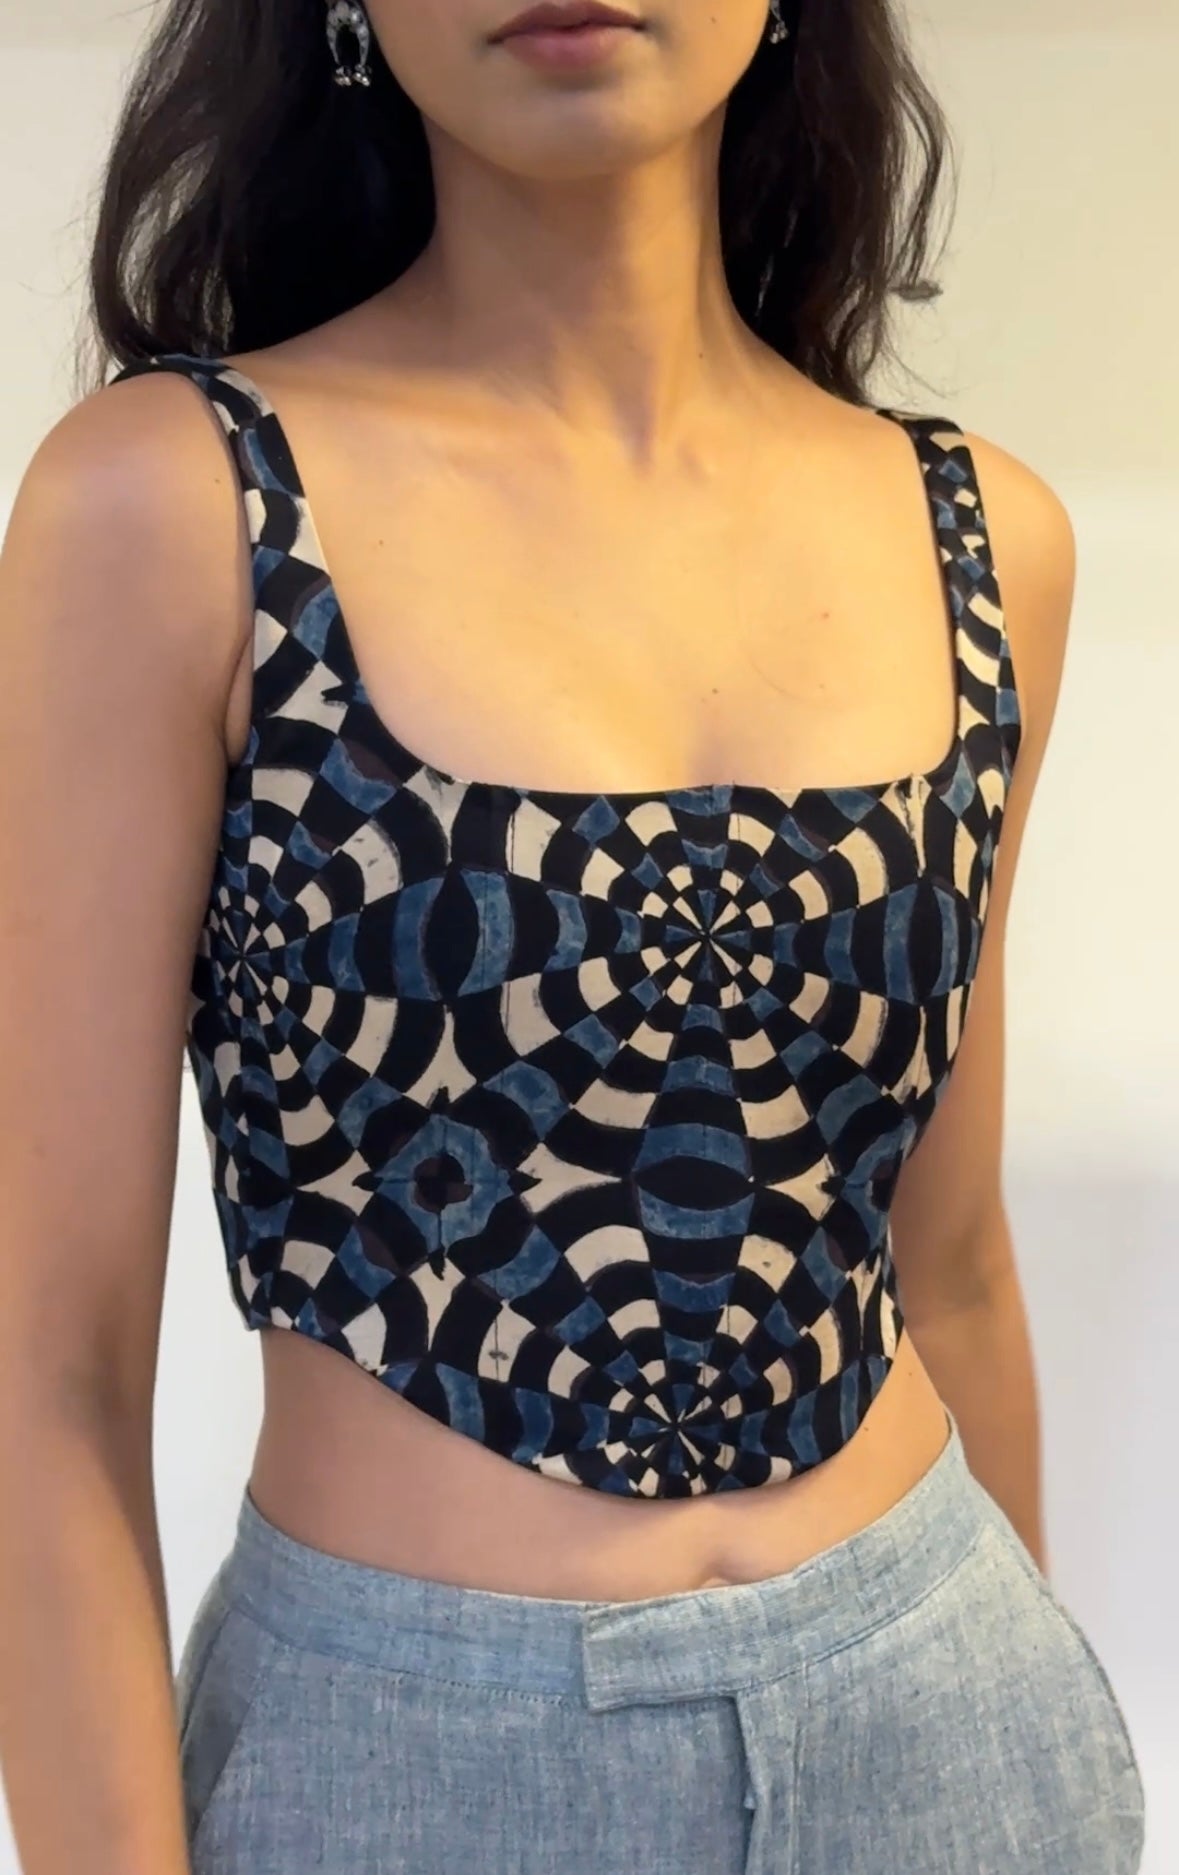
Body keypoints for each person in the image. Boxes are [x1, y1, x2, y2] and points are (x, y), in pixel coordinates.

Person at [0, 0, 1148, 1871]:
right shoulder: (170, 506)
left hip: (951, 1728)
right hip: (409, 1767)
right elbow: (43, 1369)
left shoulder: (987, 539)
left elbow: (949, 1269)